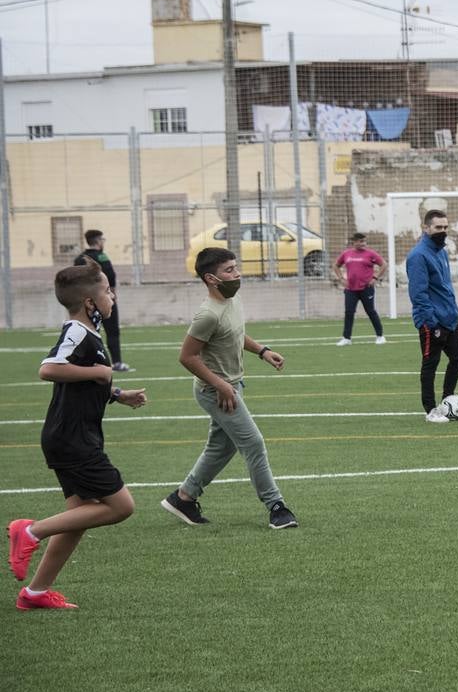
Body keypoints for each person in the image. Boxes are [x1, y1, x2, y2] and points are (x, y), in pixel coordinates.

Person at [7, 263, 145, 610]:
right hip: (73, 439)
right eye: (107, 290)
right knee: (121, 506)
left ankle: (35, 593)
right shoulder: (77, 332)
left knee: (78, 518)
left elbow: (83, 385)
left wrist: (117, 394)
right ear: (89, 302)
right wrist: (100, 371)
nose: (112, 296)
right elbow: (49, 369)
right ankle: (30, 532)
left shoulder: (89, 334)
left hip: (73, 435)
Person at [161, 247, 298, 529]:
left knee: (220, 448)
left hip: (231, 386)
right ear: (211, 278)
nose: (237, 275)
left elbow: (234, 333)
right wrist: (221, 385)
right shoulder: (207, 314)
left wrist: (262, 351)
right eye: (229, 270)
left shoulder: (232, 302)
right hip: (216, 392)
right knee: (253, 443)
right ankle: (276, 506)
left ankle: (183, 497)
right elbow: (187, 357)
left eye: (236, 268)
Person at [407, 209, 458, 423]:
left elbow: (444, 286)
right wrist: (432, 322)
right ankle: (430, 410)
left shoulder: (441, 252)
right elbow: (418, 294)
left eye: (445, 227)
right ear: (426, 228)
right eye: (438, 227)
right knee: (430, 363)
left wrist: (452, 311)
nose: (442, 231)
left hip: (450, 317)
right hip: (432, 322)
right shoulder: (417, 256)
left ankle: (447, 402)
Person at [74, 229, 133, 372]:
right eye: (102, 240)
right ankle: (117, 362)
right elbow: (111, 276)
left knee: (89, 331)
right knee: (112, 331)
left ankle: (87, 362)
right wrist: (112, 294)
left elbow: (74, 278)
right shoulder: (102, 257)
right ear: (98, 241)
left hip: (86, 301)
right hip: (104, 299)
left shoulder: (80, 258)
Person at [332, 232, 387, 346]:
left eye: (364, 241)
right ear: (354, 242)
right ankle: (347, 338)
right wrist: (341, 278)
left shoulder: (370, 253)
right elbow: (336, 265)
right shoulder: (347, 253)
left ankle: (380, 336)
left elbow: (383, 265)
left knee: (371, 311)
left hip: (366, 288)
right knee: (349, 312)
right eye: (361, 241)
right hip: (351, 289)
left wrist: (375, 277)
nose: (363, 243)